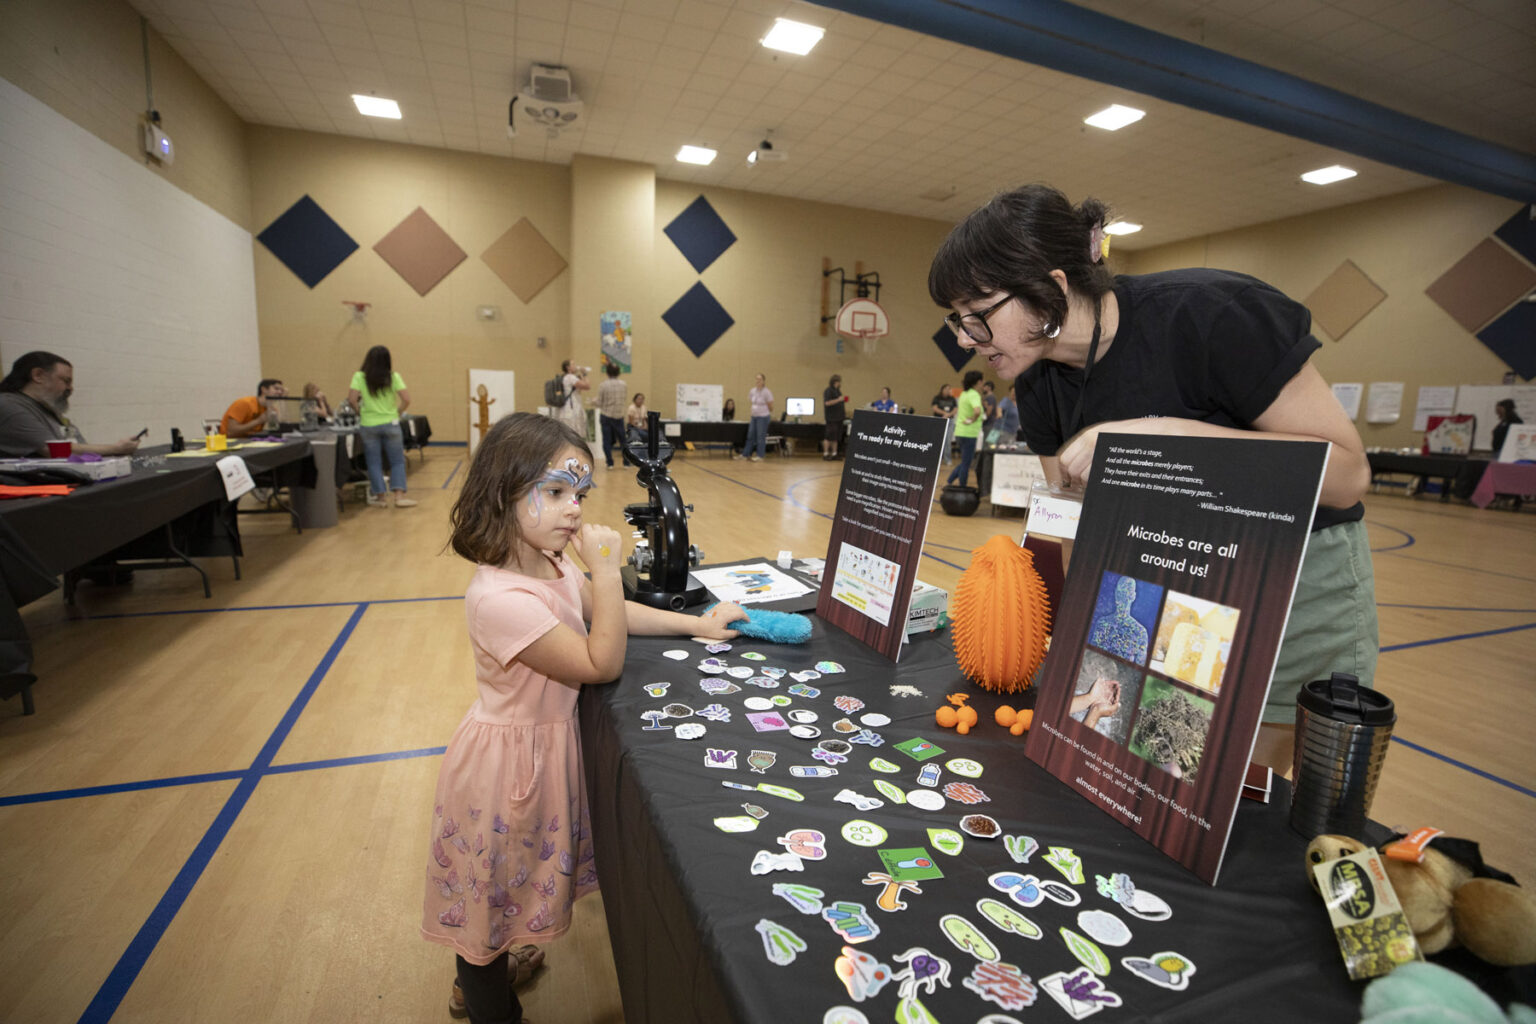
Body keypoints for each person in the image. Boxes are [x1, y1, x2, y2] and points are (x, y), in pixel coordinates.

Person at [929, 183, 1376, 773]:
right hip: (1162, 578)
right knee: (1164, 770)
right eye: (957, 320)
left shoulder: (1211, 315)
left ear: (1053, 289)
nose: (964, 339)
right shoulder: (1037, 381)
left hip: (1285, 577)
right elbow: (1068, 519)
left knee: (1245, 790)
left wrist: (1165, 434)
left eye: (978, 316)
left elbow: (1347, 474)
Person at [423, 412, 745, 1024]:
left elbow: (608, 607)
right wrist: (603, 563)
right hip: (505, 770)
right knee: (486, 898)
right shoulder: (499, 598)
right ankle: (485, 997)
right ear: (503, 492)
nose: (574, 509)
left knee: (515, 879)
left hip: (545, 751)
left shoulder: (551, 563)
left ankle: (489, 969)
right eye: (556, 491)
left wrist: (694, 624)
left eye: (581, 494)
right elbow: (601, 659)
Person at [0, 351, 142, 457]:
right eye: (66, 381)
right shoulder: (9, 405)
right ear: (38, 375)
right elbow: (52, 451)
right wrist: (117, 449)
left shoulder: (49, 410)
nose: (70, 389)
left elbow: (80, 447)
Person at [345, 345, 417, 509]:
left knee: (374, 462)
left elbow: (351, 399)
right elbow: (406, 399)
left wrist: (360, 412)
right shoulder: (394, 377)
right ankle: (399, 497)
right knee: (397, 461)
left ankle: (380, 498)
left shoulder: (359, 376)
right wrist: (397, 412)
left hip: (369, 424)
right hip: (391, 423)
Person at [945, 370, 985, 487]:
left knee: (964, 462)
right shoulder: (974, 394)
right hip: (969, 434)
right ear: (978, 382)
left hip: (960, 432)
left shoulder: (964, 394)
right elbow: (977, 411)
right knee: (966, 464)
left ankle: (949, 482)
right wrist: (973, 419)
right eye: (982, 381)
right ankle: (962, 487)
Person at [221, 378, 286, 439]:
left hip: (251, 440)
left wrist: (283, 400)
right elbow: (231, 432)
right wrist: (258, 421)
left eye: (281, 390)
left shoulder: (272, 409)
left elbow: (278, 429)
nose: (280, 392)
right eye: (276, 389)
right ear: (264, 389)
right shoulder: (244, 403)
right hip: (230, 441)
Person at [595, 363, 628, 470]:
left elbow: (599, 402)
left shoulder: (603, 385)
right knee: (623, 440)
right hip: (619, 416)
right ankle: (626, 462)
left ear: (607, 373)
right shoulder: (624, 384)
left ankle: (610, 463)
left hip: (606, 416)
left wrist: (592, 401)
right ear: (618, 372)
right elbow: (623, 399)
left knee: (607, 440)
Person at [738, 373, 773, 461]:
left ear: (763, 381)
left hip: (763, 417)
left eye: (760, 379)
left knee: (760, 436)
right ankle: (746, 454)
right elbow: (751, 400)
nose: (758, 381)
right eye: (756, 379)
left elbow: (771, 406)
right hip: (754, 416)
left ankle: (760, 455)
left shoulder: (767, 392)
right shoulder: (753, 391)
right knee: (750, 435)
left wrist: (764, 412)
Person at [558, 360, 590, 438]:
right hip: (572, 410)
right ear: (568, 367)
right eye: (573, 364)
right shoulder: (570, 377)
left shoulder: (565, 377)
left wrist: (581, 376)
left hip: (568, 409)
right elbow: (587, 386)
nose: (575, 366)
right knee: (574, 434)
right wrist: (585, 374)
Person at [822, 373, 850, 460]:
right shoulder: (828, 391)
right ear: (835, 382)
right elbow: (827, 403)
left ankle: (834, 453)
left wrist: (842, 400)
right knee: (829, 436)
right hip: (831, 418)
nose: (840, 384)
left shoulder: (838, 391)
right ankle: (826, 453)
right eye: (839, 382)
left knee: (836, 437)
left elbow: (839, 401)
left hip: (839, 418)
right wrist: (838, 400)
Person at [931, 383, 957, 462]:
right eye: (946, 389)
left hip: (950, 421)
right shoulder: (937, 398)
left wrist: (949, 414)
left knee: (948, 440)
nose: (948, 390)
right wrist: (944, 413)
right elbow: (935, 408)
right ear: (942, 389)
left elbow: (955, 409)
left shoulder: (952, 399)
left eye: (949, 389)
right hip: (940, 420)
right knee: (938, 440)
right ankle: (936, 459)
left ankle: (948, 459)